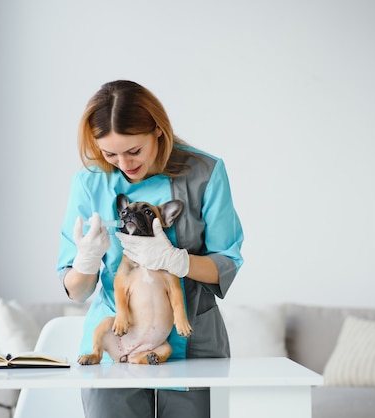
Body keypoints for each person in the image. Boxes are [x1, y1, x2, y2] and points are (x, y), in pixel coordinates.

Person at [57, 80, 244, 418]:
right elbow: (77, 289)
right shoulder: (89, 182)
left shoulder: (204, 172)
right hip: (118, 339)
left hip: (194, 343)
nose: (123, 164)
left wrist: (179, 262)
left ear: (158, 131)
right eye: (109, 154)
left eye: (134, 151)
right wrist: (85, 262)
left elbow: (226, 262)